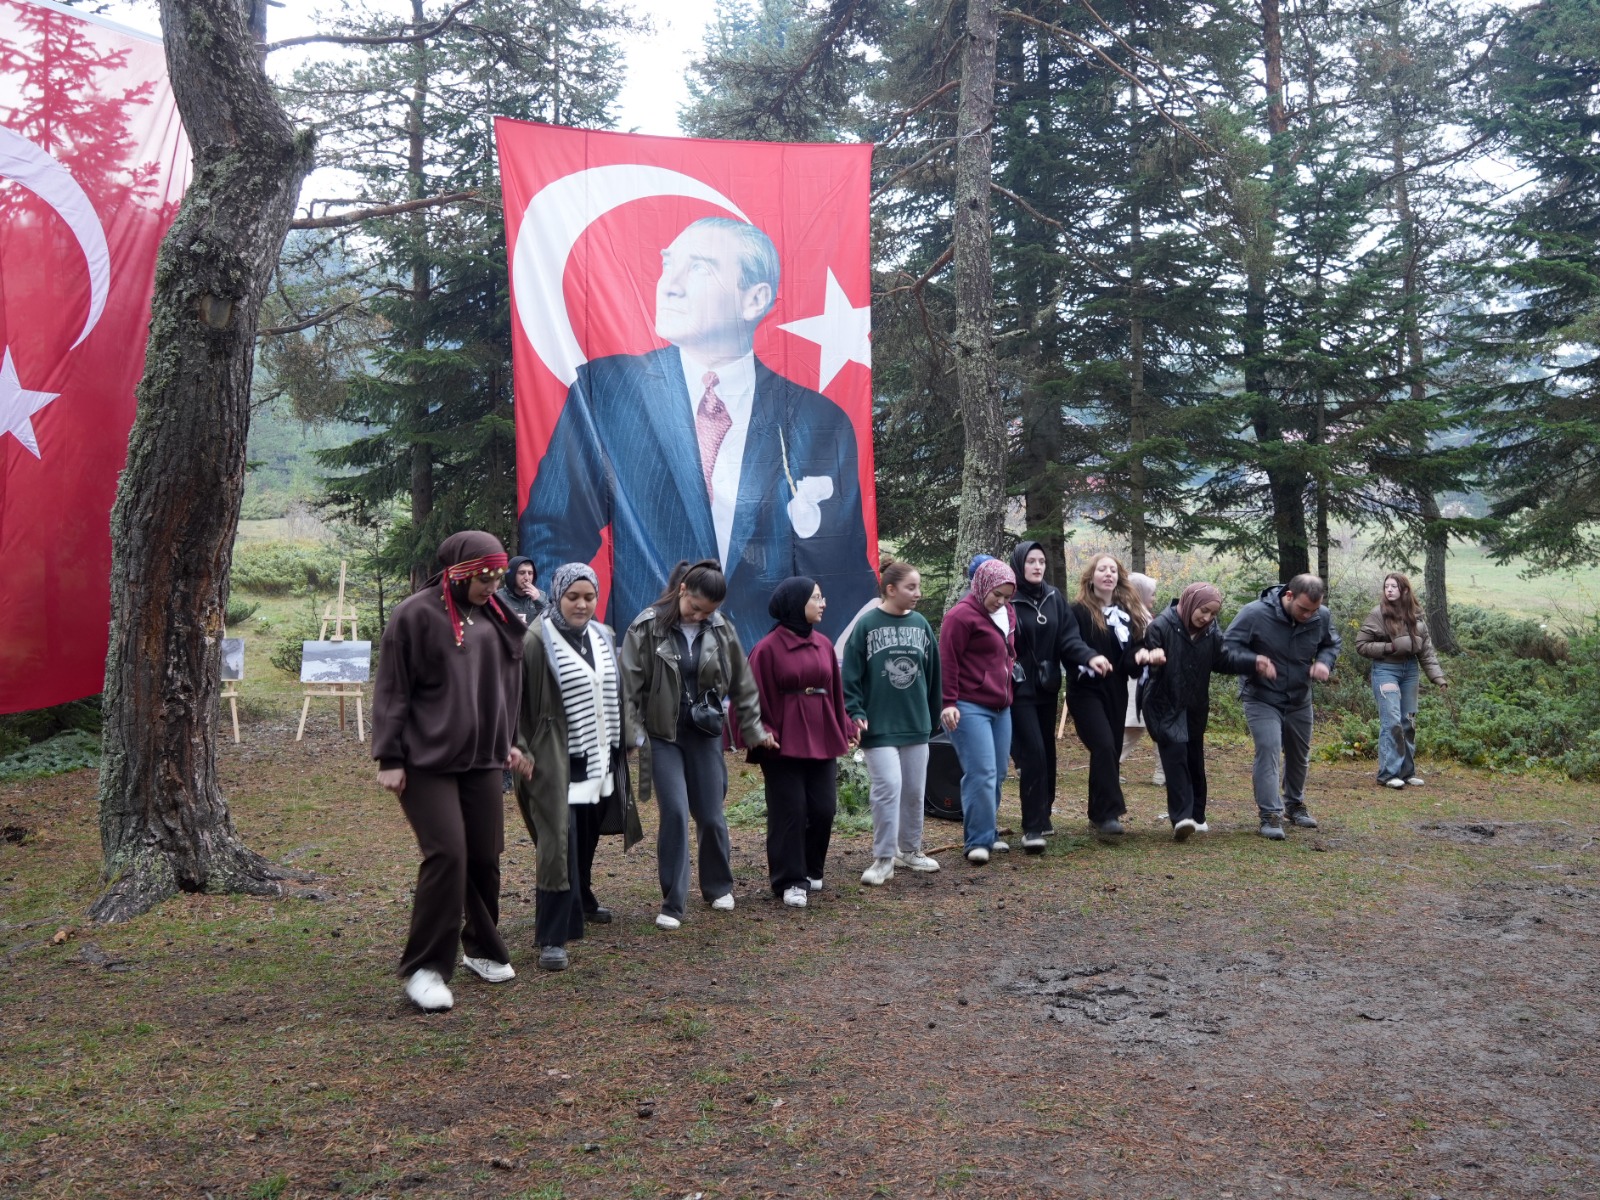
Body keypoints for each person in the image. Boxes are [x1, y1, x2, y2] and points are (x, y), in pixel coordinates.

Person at [520, 216, 878, 642]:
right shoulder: (608, 391)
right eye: (668, 264)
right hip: (645, 660)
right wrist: (582, 641)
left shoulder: (818, 420)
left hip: (764, 666)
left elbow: (841, 569)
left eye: (700, 268)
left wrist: (803, 657)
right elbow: (551, 532)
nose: (669, 285)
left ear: (754, 299)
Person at [371, 531, 527, 1013]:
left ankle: (480, 947)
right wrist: (390, 757)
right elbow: (393, 688)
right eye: (484, 578)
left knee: (484, 855)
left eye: (498, 577)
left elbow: (506, 684)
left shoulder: (495, 615)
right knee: (447, 854)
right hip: (425, 761)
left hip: (483, 758)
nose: (493, 586)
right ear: (458, 573)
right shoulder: (415, 615)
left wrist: (509, 741)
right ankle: (426, 968)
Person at [620, 558, 774, 929]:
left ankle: (718, 885)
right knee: (674, 812)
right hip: (662, 736)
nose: (699, 616)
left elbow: (743, 683)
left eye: (708, 611)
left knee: (711, 813)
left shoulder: (720, 628)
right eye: (695, 607)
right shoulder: (646, 626)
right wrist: (632, 733)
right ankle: (673, 902)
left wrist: (753, 729)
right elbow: (629, 686)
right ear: (682, 590)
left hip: (705, 734)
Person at [513, 563, 643, 972]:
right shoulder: (536, 639)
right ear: (558, 596)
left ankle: (582, 897)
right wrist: (520, 748)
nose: (582, 605)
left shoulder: (603, 634)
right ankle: (553, 935)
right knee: (557, 842)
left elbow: (617, 689)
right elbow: (516, 701)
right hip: (555, 759)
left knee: (585, 834)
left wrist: (627, 735)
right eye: (573, 597)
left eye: (589, 597)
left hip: (598, 755)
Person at [745, 577, 854, 908]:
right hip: (781, 741)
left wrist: (846, 724)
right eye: (816, 598)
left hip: (821, 734)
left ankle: (810, 868)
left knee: (824, 808)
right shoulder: (767, 648)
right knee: (790, 810)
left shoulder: (824, 644)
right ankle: (790, 879)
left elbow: (833, 691)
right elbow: (750, 695)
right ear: (795, 604)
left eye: (822, 597)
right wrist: (761, 729)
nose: (823, 604)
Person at [1141, 583, 1274, 839]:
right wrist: (1152, 657)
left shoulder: (1211, 631)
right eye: (1203, 611)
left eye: (1213, 613)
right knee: (1175, 758)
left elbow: (1223, 659)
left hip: (1195, 705)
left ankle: (1197, 816)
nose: (1207, 618)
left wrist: (1253, 662)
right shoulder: (1160, 626)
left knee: (1194, 760)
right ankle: (1181, 818)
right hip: (1164, 704)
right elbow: (1145, 661)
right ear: (1189, 602)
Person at [842, 561, 944, 885]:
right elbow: (850, 674)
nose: (918, 593)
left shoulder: (921, 625)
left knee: (913, 790)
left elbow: (934, 674)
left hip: (916, 724)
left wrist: (932, 716)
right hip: (878, 726)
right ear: (890, 589)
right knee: (888, 787)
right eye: (911, 587)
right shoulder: (867, 625)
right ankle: (884, 858)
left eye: (918, 586)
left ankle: (910, 850)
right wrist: (855, 710)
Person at [1223, 573, 1342, 840]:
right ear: (1289, 595)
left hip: (1299, 697)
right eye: (1303, 609)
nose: (1308, 615)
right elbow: (1227, 648)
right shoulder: (1254, 614)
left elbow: (1331, 644)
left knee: (1299, 754)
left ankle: (1294, 804)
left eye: (1314, 610)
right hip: (1261, 696)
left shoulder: (1321, 616)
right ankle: (1270, 814)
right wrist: (1253, 661)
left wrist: (1324, 662)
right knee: (1269, 749)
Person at [1008, 540, 1108, 853]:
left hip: (1047, 686)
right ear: (1019, 564)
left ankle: (1044, 811)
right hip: (1018, 689)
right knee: (1033, 752)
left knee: (1047, 753)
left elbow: (1069, 639)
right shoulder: (1008, 599)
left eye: (1041, 561)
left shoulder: (1054, 598)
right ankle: (1032, 827)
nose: (1037, 566)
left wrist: (1089, 656)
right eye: (1031, 561)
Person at [1065, 554, 1163, 836]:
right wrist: (1090, 657)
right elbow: (1069, 644)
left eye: (1113, 570)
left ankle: (1098, 814)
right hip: (1085, 690)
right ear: (1091, 577)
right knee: (1105, 744)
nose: (1108, 574)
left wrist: (1143, 655)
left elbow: (1129, 659)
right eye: (1102, 569)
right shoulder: (1078, 611)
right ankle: (1109, 813)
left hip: (1116, 691)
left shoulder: (1126, 613)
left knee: (1110, 750)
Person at [939, 558, 1020, 865]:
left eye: (1007, 596)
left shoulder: (1008, 613)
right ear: (982, 585)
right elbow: (948, 662)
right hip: (968, 705)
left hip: (1002, 706)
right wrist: (948, 703)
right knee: (981, 772)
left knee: (998, 773)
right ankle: (978, 840)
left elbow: (1007, 652)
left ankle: (989, 831)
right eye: (996, 594)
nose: (1001, 601)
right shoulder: (960, 616)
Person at [1355, 572, 1448, 789]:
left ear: (1404, 590)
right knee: (1392, 721)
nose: (1389, 590)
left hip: (1410, 671)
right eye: (1386, 586)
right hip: (1386, 669)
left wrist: (1438, 678)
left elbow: (1427, 651)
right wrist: (1389, 647)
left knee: (1408, 721)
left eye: (1393, 586)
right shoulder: (1377, 614)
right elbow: (1361, 645)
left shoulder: (1416, 616)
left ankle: (1407, 773)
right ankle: (1388, 774)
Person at [1120, 572, 1164, 787]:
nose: (1153, 598)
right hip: (1136, 681)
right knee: (1133, 727)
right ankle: (1110, 764)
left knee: (1159, 726)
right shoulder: (1132, 616)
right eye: (1151, 593)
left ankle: (1162, 772)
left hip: (1150, 681)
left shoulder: (1145, 615)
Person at [496, 556, 546, 626]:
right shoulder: (498, 597)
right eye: (522, 573)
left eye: (530, 573)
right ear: (512, 575)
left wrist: (539, 600)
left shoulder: (541, 595)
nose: (527, 578)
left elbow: (550, 621)